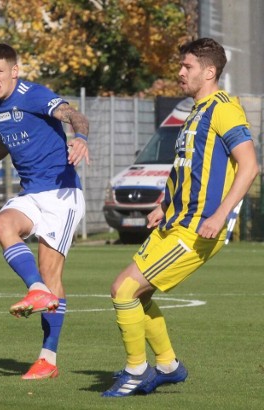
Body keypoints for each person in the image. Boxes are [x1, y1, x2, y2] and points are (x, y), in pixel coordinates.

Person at [102, 38, 259, 398]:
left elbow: (250, 167)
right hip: (176, 222)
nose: (180, 72)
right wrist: (162, 203)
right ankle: (169, 367)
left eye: (187, 67)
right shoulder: (194, 111)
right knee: (136, 296)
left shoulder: (224, 110)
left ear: (210, 71)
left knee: (123, 291)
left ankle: (136, 371)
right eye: (181, 66)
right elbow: (185, 169)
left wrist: (220, 215)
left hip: (196, 230)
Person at [0, 43, 90, 380]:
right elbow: (4, 142)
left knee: (51, 274)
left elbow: (72, 114)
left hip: (62, 193)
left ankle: (48, 358)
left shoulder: (34, 94)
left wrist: (80, 136)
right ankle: (36, 288)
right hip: (31, 193)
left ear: (15, 71)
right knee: (1, 224)